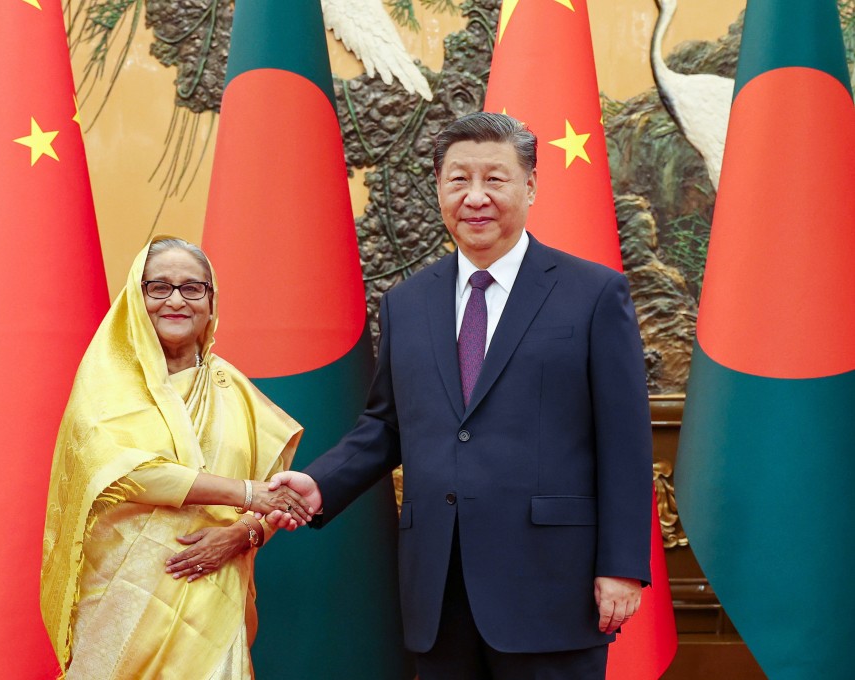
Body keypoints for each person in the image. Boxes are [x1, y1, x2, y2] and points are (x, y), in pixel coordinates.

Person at [267, 112, 652, 679]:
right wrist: (320, 482)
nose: (476, 197)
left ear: (531, 186)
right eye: (458, 180)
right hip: (439, 587)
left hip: (552, 584)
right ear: (440, 188)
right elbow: (388, 425)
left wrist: (621, 566)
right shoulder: (408, 302)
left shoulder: (593, 294)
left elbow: (624, 439)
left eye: (495, 179)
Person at [41, 237, 313, 679]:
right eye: (158, 288)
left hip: (211, 595)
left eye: (192, 288)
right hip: (120, 600)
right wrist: (246, 494)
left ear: (210, 301)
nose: (175, 300)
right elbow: (131, 474)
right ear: (137, 296)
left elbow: (275, 495)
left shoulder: (234, 389)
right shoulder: (106, 381)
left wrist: (241, 535)